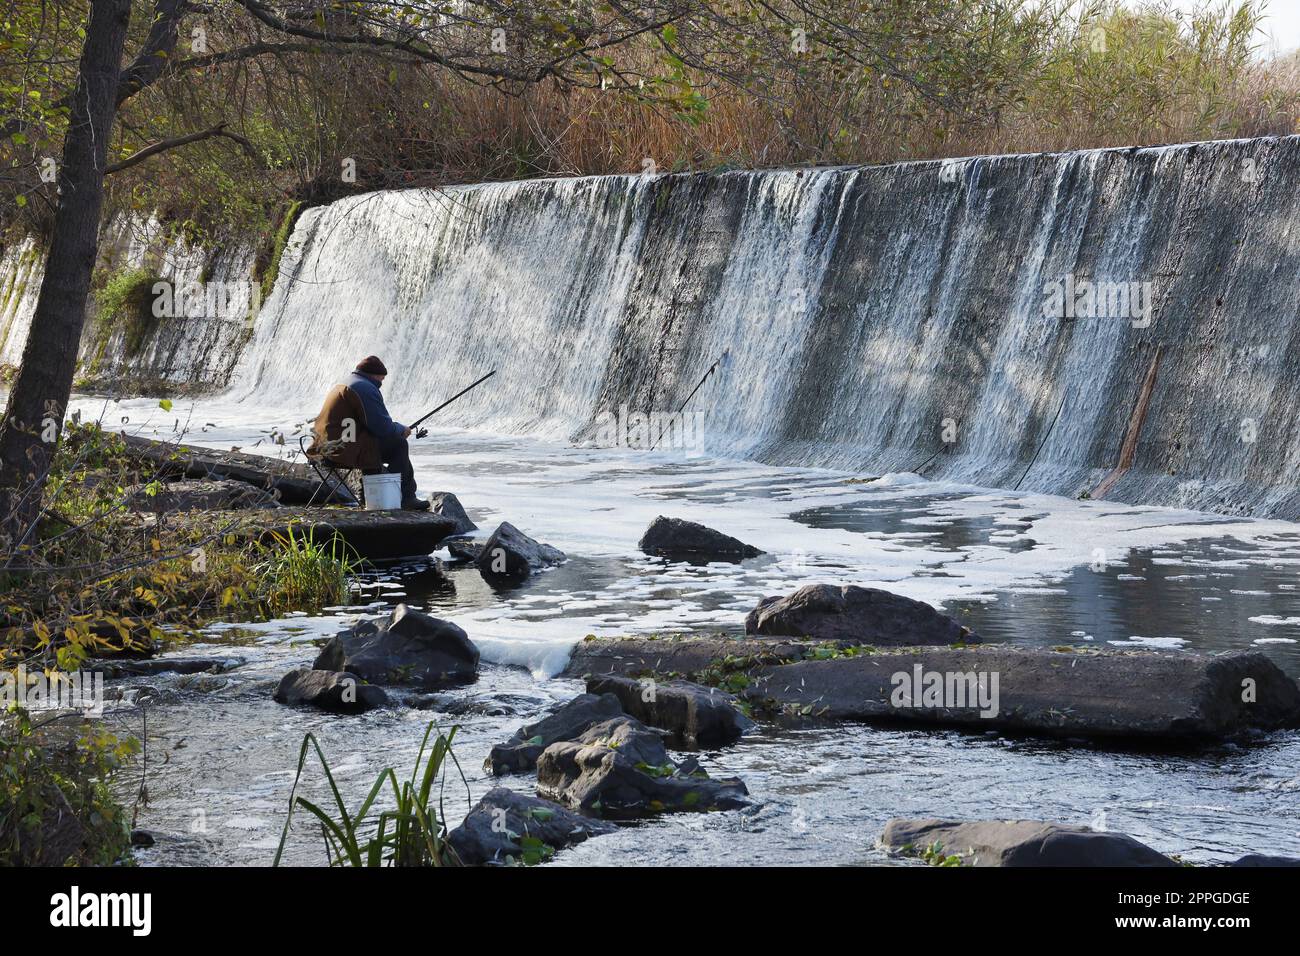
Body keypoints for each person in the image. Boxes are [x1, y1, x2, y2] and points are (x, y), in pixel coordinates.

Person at [309, 355, 428, 510]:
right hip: (340, 450)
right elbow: (382, 427)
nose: (381, 383)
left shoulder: (346, 383)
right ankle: (405, 498)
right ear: (375, 375)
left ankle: (368, 495)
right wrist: (401, 430)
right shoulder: (364, 388)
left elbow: (371, 425)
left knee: (370, 442)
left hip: (323, 447)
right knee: (398, 444)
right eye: (382, 379)